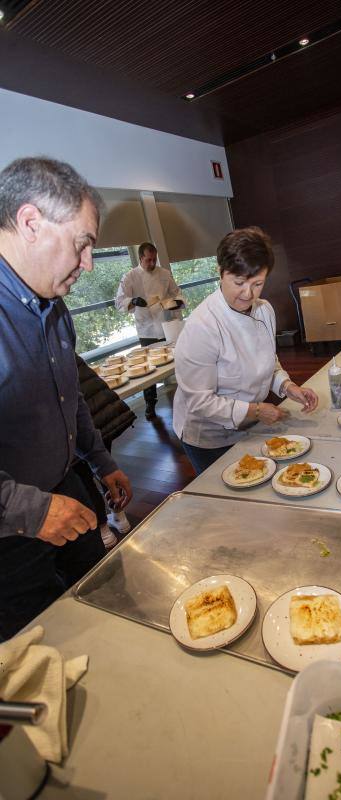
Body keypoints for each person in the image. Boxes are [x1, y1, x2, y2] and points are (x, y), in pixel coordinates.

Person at [0, 157, 132, 641]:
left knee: (101, 601)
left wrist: (99, 459)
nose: (88, 264)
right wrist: (33, 512)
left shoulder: (54, 307)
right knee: (42, 644)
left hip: (66, 490)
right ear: (30, 223)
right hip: (9, 535)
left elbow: (68, 395)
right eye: (82, 244)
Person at [173, 226, 319, 474]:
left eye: (258, 283)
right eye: (239, 282)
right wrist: (257, 410)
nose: (248, 293)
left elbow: (267, 361)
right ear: (220, 272)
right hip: (209, 435)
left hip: (249, 423)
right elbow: (199, 400)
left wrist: (287, 386)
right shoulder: (203, 326)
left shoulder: (264, 310)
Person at [73, 354, 137, 548]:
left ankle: (103, 529)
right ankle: (120, 516)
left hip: (80, 428)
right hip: (103, 416)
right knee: (105, 471)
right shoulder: (61, 347)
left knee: (86, 480)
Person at [115, 243, 184, 419]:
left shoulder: (164, 274)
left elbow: (177, 293)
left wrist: (176, 302)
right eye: (148, 260)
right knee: (146, 369)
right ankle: (150, 405)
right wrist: (133, 301)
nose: (152, 263)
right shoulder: (130, 277)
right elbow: (119, 301)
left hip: (167, 325)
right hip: (146, 329)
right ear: (140, 258)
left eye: (154, 259)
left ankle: (185, 396)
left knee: (179, 362)